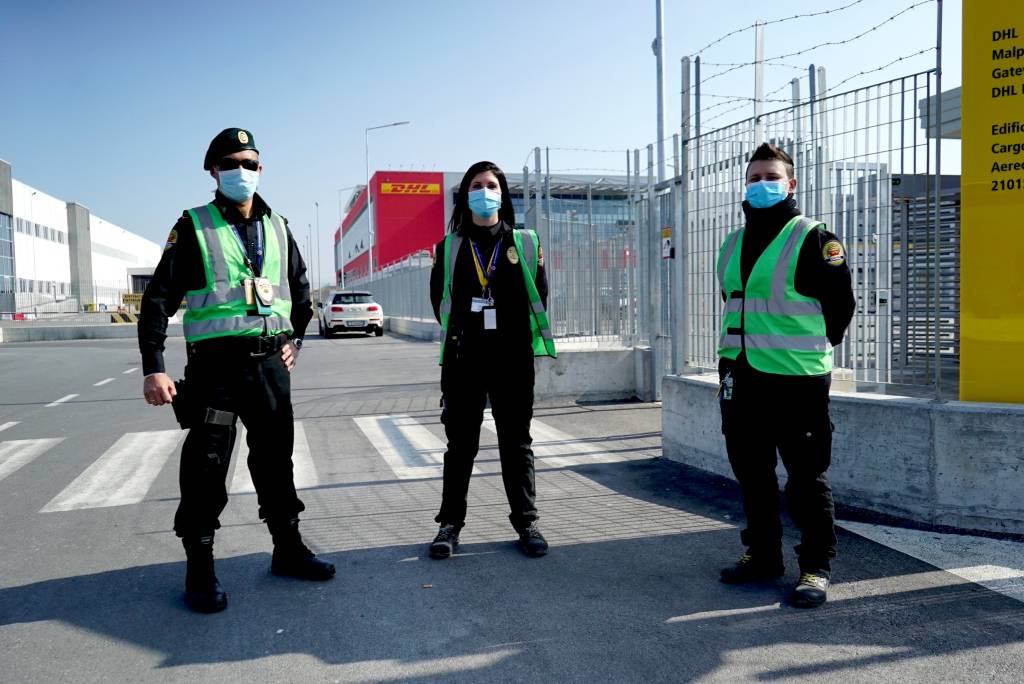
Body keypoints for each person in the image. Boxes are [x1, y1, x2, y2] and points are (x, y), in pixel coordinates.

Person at [138, 127, 334, 614]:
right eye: (231, 163)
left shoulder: (280, 226)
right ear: (214, 172)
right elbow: (158, 299)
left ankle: (287, 550)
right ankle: (200, 567)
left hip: (270, 368)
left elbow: (301, 294)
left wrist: (295, 341)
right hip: (216, 372)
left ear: (261, 170)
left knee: (275, 462)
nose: (241, 171)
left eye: (249, 163)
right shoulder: (194, 226)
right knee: (206, 467)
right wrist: (154, 367)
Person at [716, 143, 855, 608]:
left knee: (805, 478)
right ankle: (762, 555)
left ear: (790, 184)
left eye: (770, 177)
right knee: (752, 473)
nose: (761, 185)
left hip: (796, 381)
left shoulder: (814, 239)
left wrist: (807, 351)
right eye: (753, 177)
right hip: (740, 374)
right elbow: (733, 302)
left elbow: (840, 308)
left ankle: (816, 567)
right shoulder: (732, 242)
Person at [427, 161, 557, 559]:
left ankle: (527, 523)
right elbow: (440, 303)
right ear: (466, 195)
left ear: (502, 193)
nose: (485, 191)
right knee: (460, 446)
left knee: (516, 444)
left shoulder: (526, 243)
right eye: (477, 185)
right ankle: (449, 526)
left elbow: (540, 296)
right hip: (464, 360)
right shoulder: (449, 247)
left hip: (513, 360)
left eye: (491, 185)